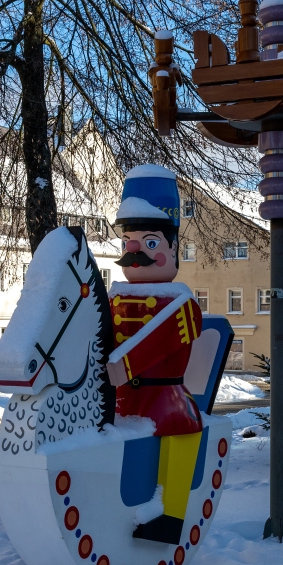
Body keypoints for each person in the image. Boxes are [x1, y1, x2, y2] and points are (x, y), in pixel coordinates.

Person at [104, 165, 204, 544]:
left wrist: (124, 365)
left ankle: (170, 514)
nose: (133, 251)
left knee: (180, 429)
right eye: (128, 240)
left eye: (149, 243)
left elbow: (161, 339)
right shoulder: (114, 296)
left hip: (164, 396)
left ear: (172, 248)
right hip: (120, 398)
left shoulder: (181, 302)